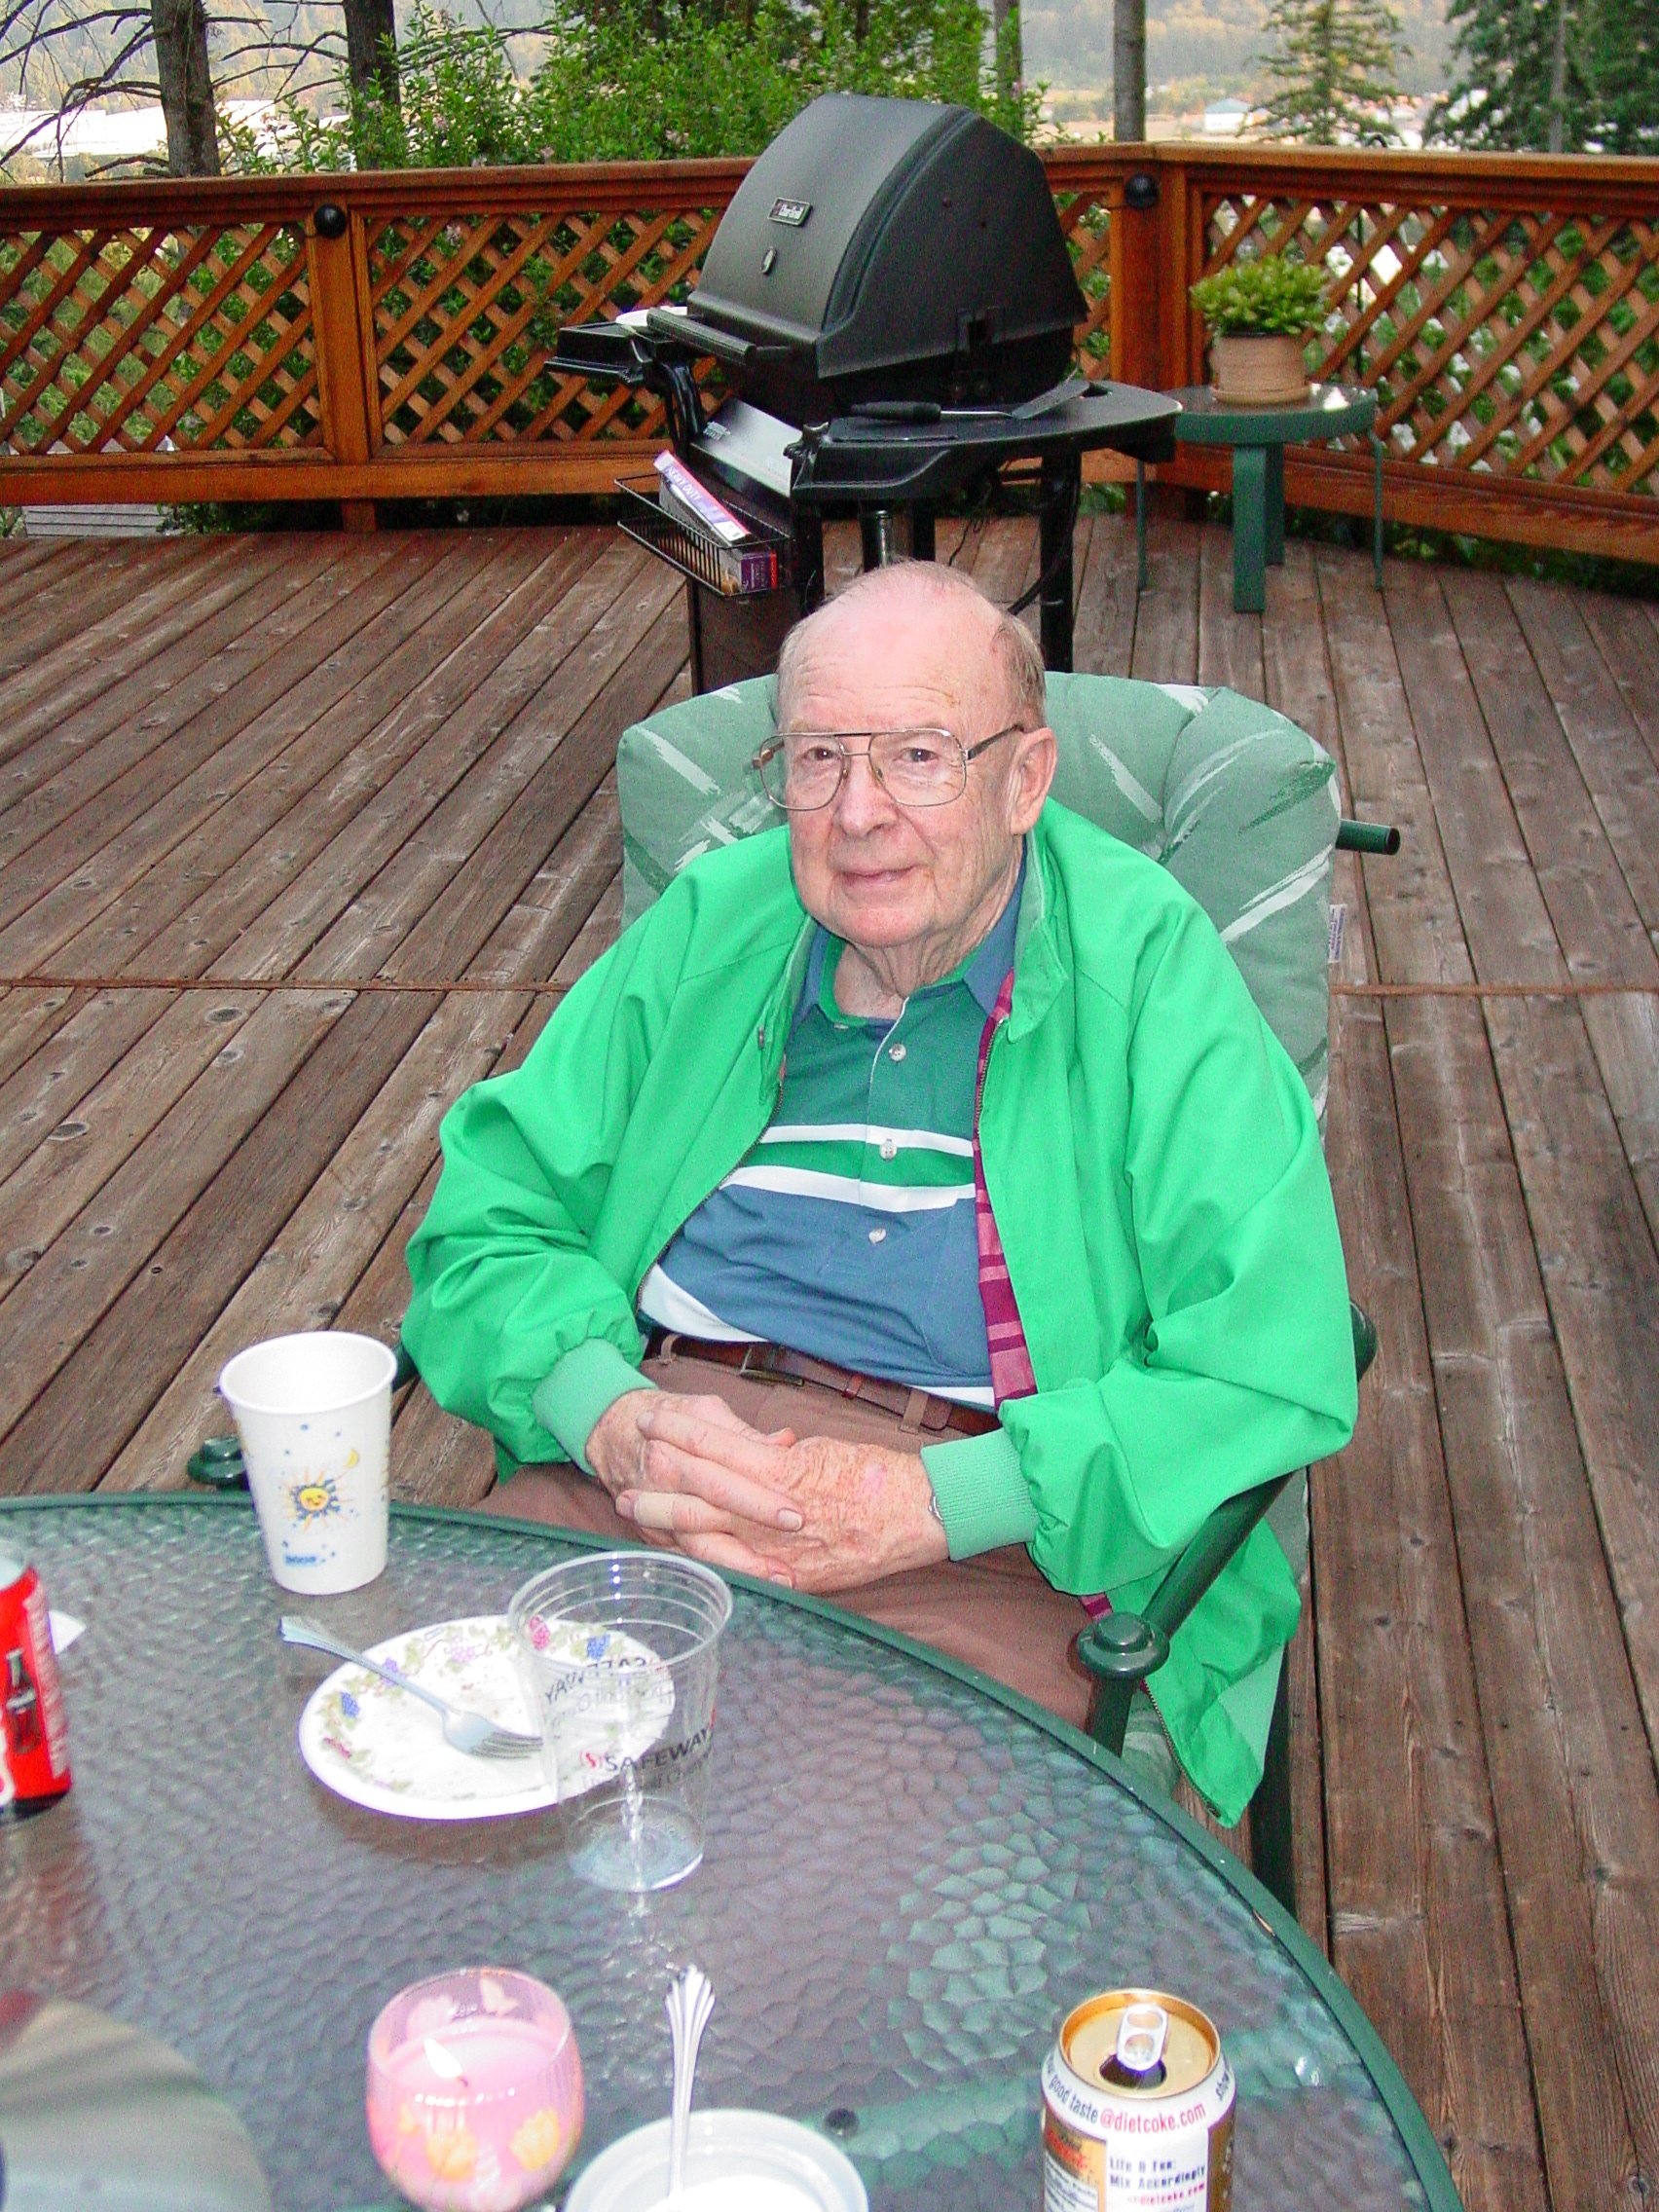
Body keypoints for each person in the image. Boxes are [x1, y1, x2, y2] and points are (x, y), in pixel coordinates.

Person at [403, 561, 1356, 1825]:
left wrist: (933, 1503)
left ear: (1025, 779)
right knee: (412, 1801)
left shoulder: (1148, 973)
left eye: (918, 757)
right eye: (818, 759)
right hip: (642, 1485)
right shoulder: (712, 927)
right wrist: (607, 1412)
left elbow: (1268, 1363)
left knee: (859, 1908)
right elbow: (485, 1222)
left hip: (991, 1548)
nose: (858, 813)